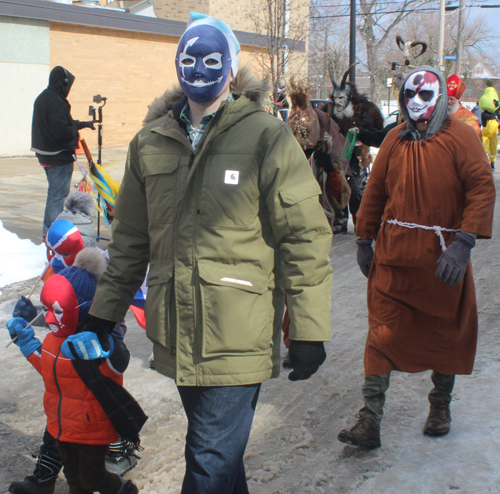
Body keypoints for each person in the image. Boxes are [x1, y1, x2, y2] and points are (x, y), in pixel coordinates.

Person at [69, 12, 332, 494]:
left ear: (230, 69)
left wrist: (309, 327)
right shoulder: (151, 142)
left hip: (239, 330)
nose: (199, 69)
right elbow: (130, 241)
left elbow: (304, 235)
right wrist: (103, 315)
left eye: (212, 59)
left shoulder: (265, 136)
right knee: (221, 463)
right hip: (178, 332)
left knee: (208, 462)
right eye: (188, 59)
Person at [337, 66, 495, 449]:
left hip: (442, 260)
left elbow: (481, 187)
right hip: (393, 258)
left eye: (425, 96)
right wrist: (364, 240)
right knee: (380, 335)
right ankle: (369, 420)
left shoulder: (461, 136)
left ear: (440, 98)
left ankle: (439, 406)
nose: (416, 103)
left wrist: (463, 243)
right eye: (410, 96)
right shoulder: (395, 139)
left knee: (445, 333)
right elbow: (374, 192)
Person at [6, 248, 139, 494]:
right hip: (61, 426)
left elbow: (117, 364)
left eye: (55, 310)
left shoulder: (94, 341)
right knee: (75, 482)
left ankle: (123, 490)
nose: (48, 319)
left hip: (91, 430)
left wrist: (105, 347)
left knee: (91, 479)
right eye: (46, 309)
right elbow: (47, 367)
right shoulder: (55, 339)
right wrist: (25, 340)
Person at [31, 66, 96, 237]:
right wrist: (75, 133)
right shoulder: (56, 102)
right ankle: (51, 234)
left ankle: (50, 232)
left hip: (46, 154)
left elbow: (61, 123)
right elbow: (61, 130)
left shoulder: (45, 98)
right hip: (57, 156)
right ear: (62, 83)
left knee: (54, 193)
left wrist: (82, 124)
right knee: (57, 196)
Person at [446, 74, 481, 139]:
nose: (449, 101)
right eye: (447, 98)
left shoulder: (469, 118)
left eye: (452, 99)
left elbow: (475, 140)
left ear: (458, 99)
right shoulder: (440, 114)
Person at [478, 80, 500, 170]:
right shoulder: (496, 104)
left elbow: (483, 122)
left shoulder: (483, 110)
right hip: (493, 125)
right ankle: (492, 162)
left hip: (485, 126)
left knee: (485, 143)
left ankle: (484, 161)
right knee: (493, 143)